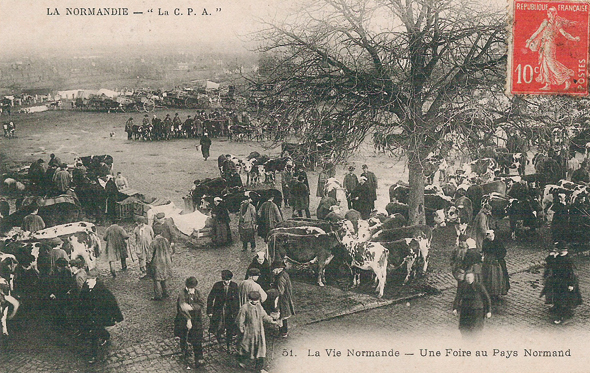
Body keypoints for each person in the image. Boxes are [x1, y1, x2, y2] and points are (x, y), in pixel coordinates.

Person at [525, 7, 580, 91]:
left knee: (551, 63)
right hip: (543, 45)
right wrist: (530, 39)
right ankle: (548, 84)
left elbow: (564, 33)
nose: (549, 14)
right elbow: (537, 32)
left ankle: (566, 79)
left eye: (550, 13)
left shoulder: (557, 23)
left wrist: (574, 38)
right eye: (548, 13)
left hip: (550, 45)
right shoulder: (545, 22)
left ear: (553, 13)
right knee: (544, 64)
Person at [78, 278, 124, 364]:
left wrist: (117, 316)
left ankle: (94, 355)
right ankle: (105, 335)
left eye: (89, 279)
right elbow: (81, 299)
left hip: (99, 315)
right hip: (90, 315)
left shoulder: (101, 288)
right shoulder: (86, 286)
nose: (87, 281)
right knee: (96, 330)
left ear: (94, 279)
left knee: (93, 335)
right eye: (87, 279)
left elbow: (111, 301)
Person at [235, 291, 278, 373]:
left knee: (260, 350)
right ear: (249, 299)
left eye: (257, 300)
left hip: (259, 332)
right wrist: (242, 330)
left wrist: (272, 321)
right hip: (248, 333)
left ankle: (259, 368)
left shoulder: (259, 306)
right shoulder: (244, 308)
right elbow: (240, 321)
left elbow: (264, 315)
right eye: (253, 301)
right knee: (246, 348)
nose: (255, 302)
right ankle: (240, 361)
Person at [174, 277, 205, 368]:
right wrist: (188, 320)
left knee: (197, 338)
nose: (192, 290)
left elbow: (201, 304)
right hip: (183, 320)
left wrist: (191, 307)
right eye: (190, 288)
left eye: (193, 288)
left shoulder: (197, 293)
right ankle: (184, 350)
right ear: (186, 287)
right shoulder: (182, 294)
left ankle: (199, 357)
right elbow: (181, 308)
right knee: (183, 336)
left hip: (196, 319)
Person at [548, 244, 582, 324]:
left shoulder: (568, 260)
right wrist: (552, 256)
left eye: (557, 249)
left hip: (564, 283)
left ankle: (562, 316)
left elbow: (571, 273)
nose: (555, 250)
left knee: (563, 300)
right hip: (557, 282)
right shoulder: (558, 257)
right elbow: (550, 264)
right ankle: (560, 313)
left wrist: (571, 284)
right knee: (558, 298)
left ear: (562, 250)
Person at [207, 270, 240, 351]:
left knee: (230, 328)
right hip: (219, 310)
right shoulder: (217, 285)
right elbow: (210, 298)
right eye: (225, 280)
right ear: (222, 279)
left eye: (228, 280)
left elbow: (237, 300)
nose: (227, 282)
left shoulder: (234, 285)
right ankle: (219, 343)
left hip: (230, 311)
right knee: (218, 327)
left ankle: (229, 345)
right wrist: (210, 311)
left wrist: (236, 312)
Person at [452, 272, 492, 338]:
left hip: (477, 311)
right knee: (464, 329)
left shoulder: (479, 286)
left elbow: (487, 298)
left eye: (470, 277)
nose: (468, 279)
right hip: (465, 310)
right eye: (467, 278)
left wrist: (488, 311)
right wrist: (455, 308)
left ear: (473, 278)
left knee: (476, 330)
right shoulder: (463, 286)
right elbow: (458, 297)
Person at [481, 230, 510, 302]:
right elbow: (484, 250)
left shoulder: (498, 241)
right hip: (488, 261)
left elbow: (503, 252)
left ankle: (497, 293)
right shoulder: (485, 241)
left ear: (493, 235)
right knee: (487, 276)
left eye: (491, 236)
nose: (490, 238)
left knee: (497, 277)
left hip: (497, 261)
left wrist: (498, 258)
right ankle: (489, 292)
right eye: (489, 236)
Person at [271, 261, 294, 338]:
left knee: (282, 315)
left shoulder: (280, 278)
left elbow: (280, 291)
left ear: (279, 269)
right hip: (286, 297)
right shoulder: (284, 274)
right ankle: (283, 331)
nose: (273, 271)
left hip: (283, 299)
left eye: (274, 270)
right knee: (283, 316)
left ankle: (283, 332)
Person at [147, 234, 173, 301]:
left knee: (157, 279)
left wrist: (148, 262)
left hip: (157, 263)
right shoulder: (166, 241)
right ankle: (166, 292)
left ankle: (158, 296)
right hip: (166, 262)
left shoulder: (154, 242)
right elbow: (171, 251)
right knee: (165, 278)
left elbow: (150, 254)